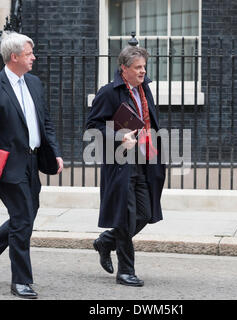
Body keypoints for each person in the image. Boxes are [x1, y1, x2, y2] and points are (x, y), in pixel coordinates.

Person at [0, 32, 63, 299]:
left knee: (27, 215)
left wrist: (54, 152)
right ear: (14, 56)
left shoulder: (34, 83)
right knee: (22, 219)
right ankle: (21, 281)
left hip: (32, 161)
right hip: (7, 167)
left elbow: (45, 123)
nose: (34, 57)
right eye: (30, 53)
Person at [86, 46, 166, 287]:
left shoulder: (144, 89)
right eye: (138, 67)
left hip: (144, 160)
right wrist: (120, 136)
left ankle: (106, 242)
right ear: (124, 69)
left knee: (145, 213)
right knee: (125, 217)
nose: (143, 71)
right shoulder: (109, 93)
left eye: (144, 67)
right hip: (121, 163)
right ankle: (125, 271)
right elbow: (93, 126)